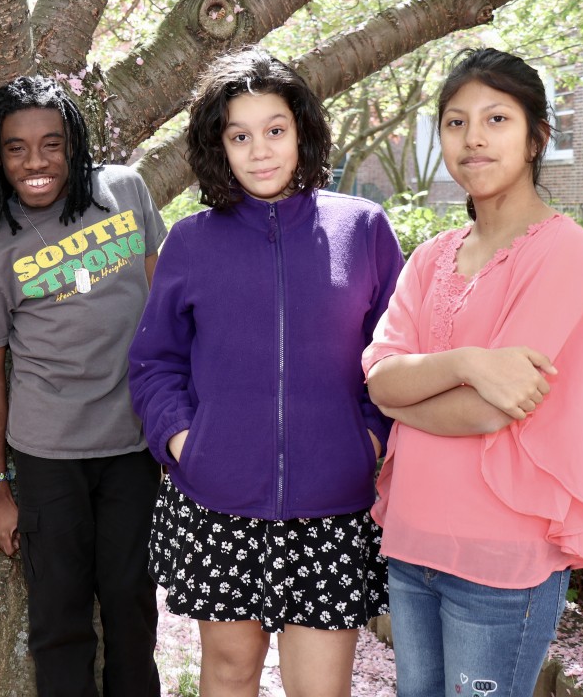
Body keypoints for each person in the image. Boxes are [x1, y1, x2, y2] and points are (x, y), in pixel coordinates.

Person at [128, 47, 403, 697]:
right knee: (228, 677)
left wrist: (369, 440)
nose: (260, 151)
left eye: (274, 130)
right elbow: (154, 361)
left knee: (320, 688)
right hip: (219, 504)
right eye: (240, 135)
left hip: (332, 509)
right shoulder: (190, 242)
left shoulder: (362, 228)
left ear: (301, 130)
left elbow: (396, 353)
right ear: (218, 146)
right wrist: (184, 443)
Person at [362, 48, 583, 697]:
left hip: (504, 559)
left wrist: (408, 392)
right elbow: (379, 378)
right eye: (455, 121)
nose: (473, 138)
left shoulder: (564, 252)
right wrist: (467, 363)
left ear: (537, 139)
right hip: (412, 544)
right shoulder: (431, 257)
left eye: (497, 119)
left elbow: (490, 408)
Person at [0, 75, 166, 697]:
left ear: (73, 145)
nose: (36, 162)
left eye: (51, 144)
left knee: (132, 609)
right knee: (59, 619)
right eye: (16, 148)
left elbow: (163, 305)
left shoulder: (124, 191)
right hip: (48, 455)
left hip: (133, 446)